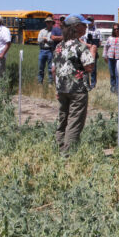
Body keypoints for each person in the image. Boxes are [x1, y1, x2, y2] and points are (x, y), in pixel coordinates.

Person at [51, 14, 95, 156]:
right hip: (77, 89)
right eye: (83, 24)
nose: (86, 27)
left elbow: (53, 69)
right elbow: (89, 67)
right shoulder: (79, 46)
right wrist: (93, 51)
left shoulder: (58, 46)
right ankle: (68, 152)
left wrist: (57, 87)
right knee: (75, 120)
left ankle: (58, 144)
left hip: (62, 88)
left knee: (63, 117)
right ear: (76, 27)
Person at [37, 16, 63, 84]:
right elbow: (39, 40)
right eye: (47, 22)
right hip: (42, 50)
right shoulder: (42, 31)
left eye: (50, 22)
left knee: (50, 68)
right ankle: (40, 82)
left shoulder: (54, 31)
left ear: (52, 23)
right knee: (40, 68)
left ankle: (50, 82)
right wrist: (46, 40)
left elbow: (53, 40)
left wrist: (47, 39)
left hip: (50, 50)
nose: (48, 23)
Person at [85, 17, 101, 90]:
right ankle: (86, 83)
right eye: (88, 20)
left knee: (93, 68)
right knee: (85, 67)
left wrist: (95, 44)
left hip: (94, 50)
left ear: (93, 21)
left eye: (91, 20)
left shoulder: (97, 31)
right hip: (85, 51)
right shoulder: (84, 30)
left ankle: (93, 83)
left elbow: (100, 42)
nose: (89, 22)